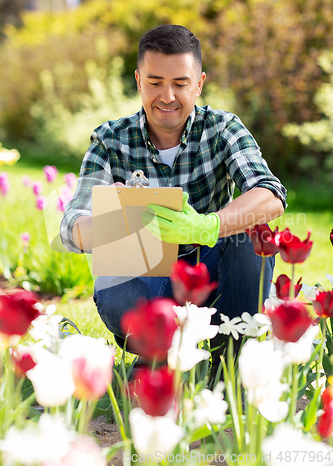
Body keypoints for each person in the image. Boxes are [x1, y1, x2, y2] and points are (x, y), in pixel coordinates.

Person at [60, 25, 287, 369]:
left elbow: (270, 195)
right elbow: (70, 226)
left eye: (180, 84)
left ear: (199, 84)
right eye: (155, 83)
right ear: (138, 81)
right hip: (146, 287)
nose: (167, 96)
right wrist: (115, 220)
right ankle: (159, 355)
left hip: (212, 282)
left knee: (250, 233)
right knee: (115, 286)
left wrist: (209, 226)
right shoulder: (110, 140)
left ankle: (229, 361)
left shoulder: (222, 129)